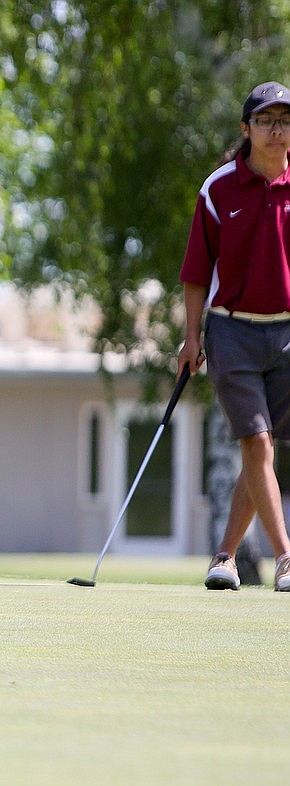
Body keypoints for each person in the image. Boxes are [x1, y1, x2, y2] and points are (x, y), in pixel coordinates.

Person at [179, 81, 290, 591]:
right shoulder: (219, 188)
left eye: (284, 121)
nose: (277, 130)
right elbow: (197, 271)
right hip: (232, 333)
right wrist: (190, 337)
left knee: (256, 451)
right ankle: (286, 559)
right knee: (258, 445)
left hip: (286, 336)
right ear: (246, 130)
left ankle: (223, 557)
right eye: (266, 121)